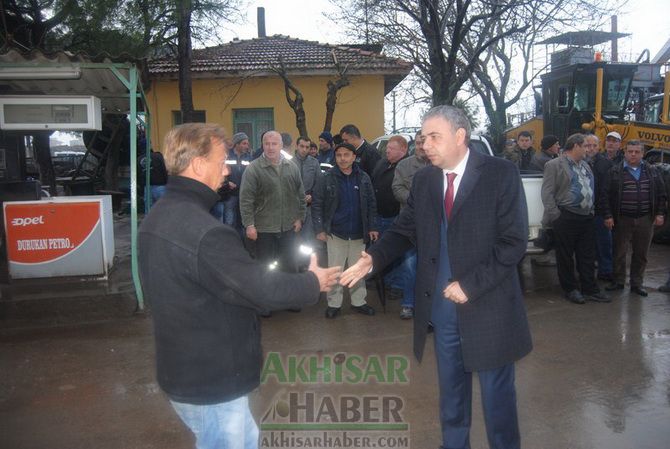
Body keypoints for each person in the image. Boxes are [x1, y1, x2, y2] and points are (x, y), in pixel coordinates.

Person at [137, 123, 340, 449]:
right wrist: (311, 282)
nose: (228, 166)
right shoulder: (206, 232)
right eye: (222, 160)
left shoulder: (157, 217)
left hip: (184, 372)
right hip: (212, 382)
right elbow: (259, 288)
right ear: (199, 164)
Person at [340, 105, 532, 449]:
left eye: (433, 137)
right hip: (443, 312)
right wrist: (372, 260)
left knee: (497, 401)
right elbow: (404, 229)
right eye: (421, 137)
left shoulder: (500, 173)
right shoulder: (426, 179)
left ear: (460, 136)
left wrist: (471, 285)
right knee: (452, 398)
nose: (424, 144)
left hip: (490, 309)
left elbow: (513, 242)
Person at [312, 142, 379, 319]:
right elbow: (317, 204)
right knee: (335, 270)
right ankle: (334, 303)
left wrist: (372, 226)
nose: (342, 158)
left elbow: (372, 204)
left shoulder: (364, 178)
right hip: (335, 233)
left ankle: (359, 302)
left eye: (346, 155)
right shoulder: (326, 177)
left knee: (358, 270)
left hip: (359, 233)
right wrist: (319, 229)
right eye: (339, 155)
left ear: (354, 157)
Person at [541, 133, 610, 304]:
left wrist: (591, 209)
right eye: (585, 146)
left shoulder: (585, 165)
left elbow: (590, 187)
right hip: (566, 216)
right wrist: (556, 216)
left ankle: (589, 288)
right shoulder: (554, 165)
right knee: (565, 256)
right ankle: (570, 289)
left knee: (587, 255)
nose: (589, 150)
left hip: (586, 217)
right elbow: (547, 193)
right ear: (576, 146)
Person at [602, 140, 667, 296]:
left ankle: (637, 284)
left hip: (646, 219)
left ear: (642, 153)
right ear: (625, 153)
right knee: (619, 252)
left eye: (637, 152)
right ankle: (618, 281)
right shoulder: (615, 172)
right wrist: (608, 215)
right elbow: (604, 195)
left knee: (641, 253)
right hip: (622, 219)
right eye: (630, 151)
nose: (633, 154)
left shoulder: (652, 171)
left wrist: (660, 213)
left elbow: (661, 194)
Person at [240, 130, 306, 275]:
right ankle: (266, 297)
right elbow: (246, 200)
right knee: (265, 270)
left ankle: (289, 296)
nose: (270, 147)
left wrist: (300, 218)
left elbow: (300, 195)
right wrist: (249, 225)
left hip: (288, 228)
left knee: (290, 268)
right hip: (264, 230)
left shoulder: (292, 167)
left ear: (281, 145)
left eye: (274, 144)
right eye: (267, 144)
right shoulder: (253, 169)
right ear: (262, 145)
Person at [392, 131, 429, 319]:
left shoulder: (438, 164)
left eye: (425, 142)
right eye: (419, 142)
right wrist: (416, 201)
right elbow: (397, 189)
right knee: (409, 266)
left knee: (432, 267)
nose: (422, 146)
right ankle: (408, 303)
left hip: (433, 227)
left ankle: (430, 305)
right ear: (415, 144)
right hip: (410, 226)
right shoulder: (404, 165)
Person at [371, 135, 409, 299]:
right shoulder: (382, 163)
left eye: (391, 148)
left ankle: (397, 285)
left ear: (403, 150)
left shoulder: (406, 167)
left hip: (395, 216)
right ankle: (385, 280)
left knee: (396, 253)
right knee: (382, 250)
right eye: (387, 148)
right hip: (379, 215)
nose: (387, 150)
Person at [586, 134, 614, 281]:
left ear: (599, 146)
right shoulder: (579, 162)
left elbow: (608, 190)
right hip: (583, 212)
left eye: (594, 146)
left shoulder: (605, 164)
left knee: (604, 243)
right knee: (586, 246)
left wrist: (607, 213)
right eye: (588, 145)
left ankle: (606, 271)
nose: (591, 149)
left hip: (599, 211)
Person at [292, 136, 321, 247]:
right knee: (293, 238)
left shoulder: (314, 163)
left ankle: (308, 263)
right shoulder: (289, 163)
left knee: (308, 238)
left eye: (307, 147)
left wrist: (312, 196)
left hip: (309, 206)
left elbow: (319, 183)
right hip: (293, 206)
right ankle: (294, 262)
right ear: (297, 146)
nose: (304, 149)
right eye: (302, 146)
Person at [222, 132, 253, 234]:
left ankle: (242, 245)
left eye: (247, 143)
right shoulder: (226, 156)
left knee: (243, 223)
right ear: (237, 144)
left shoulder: (248, 157)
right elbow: (220, 172)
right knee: (229, 222)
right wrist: (227, 182)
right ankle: (229, 244)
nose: (246, 146)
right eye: (244, 143)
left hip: (244, 195)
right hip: (230, 194)